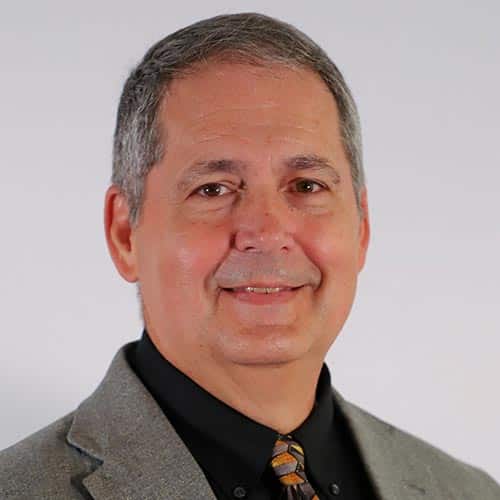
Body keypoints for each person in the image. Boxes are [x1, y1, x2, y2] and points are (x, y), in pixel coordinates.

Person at [1, 12, 498, 500]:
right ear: (126, 232)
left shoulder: (467, 491)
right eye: (214, 188)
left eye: (307, 185)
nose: (267, 231)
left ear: (361, 225)